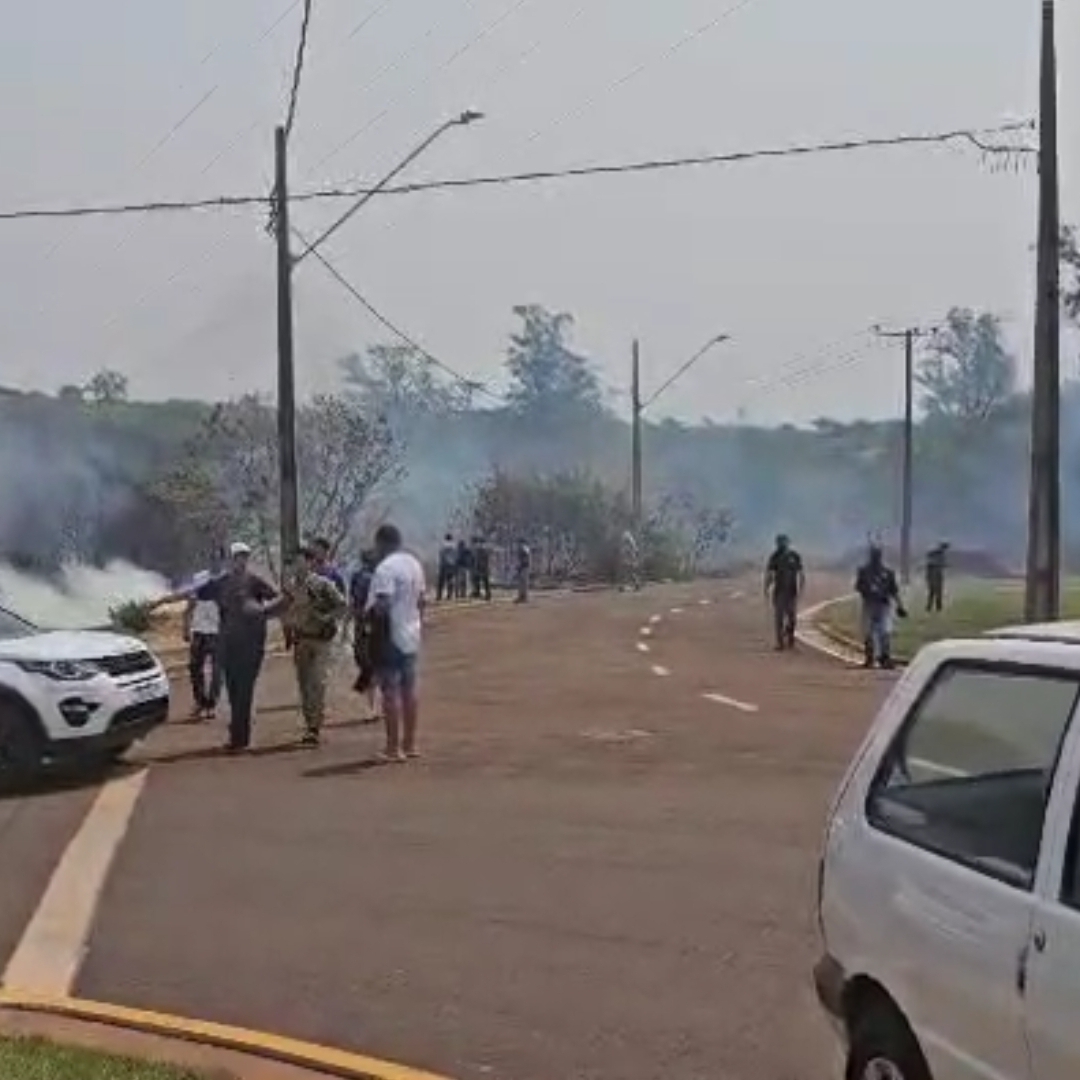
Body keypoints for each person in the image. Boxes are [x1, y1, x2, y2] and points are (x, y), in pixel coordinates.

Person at [197, 542, 280, 752]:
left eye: (244, 556)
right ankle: (237, 734)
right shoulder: (220, 583)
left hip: (251, 645)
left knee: (245, 690)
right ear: (231, 560)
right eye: (237, 557)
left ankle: (240, 739)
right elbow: (196, 593)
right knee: (233, 690)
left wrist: (260, 612)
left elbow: (276, 599)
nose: (241, 560)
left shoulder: (254, 581)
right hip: (227, 644)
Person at [365, 523, 426, 762]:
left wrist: (367, 618)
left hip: (389, 635)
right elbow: (422, 601)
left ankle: (392, 748)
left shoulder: (385, 569)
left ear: (381, 543)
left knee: (389, 691)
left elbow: (383, 604)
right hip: (410, 633)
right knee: (409, 690)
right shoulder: (414, 564)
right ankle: (409, 744)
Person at [283, 546, 348, 748]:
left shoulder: (323, 585)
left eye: (301, 561)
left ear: (311, 562)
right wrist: (287, 633)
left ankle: (315, 726)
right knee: (304, 685)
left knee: (318, 683)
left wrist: (327, 618)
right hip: (300, 640)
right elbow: (286, 613)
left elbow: (342, 605)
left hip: (321, 640)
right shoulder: (291, 587)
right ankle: (310, 724)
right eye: (295, 562)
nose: (298, 565)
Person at [183, 556, 224, 721]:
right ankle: (200, 702)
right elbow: (189, 606)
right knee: (194, 668)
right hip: (199, 631)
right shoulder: (200, 578)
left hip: (217, 632)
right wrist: (186, 628)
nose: (217, 563)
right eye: (214, 560)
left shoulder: (225, 581)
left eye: (220, 560)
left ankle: (211, 704)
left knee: (218, 671)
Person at [855, 543, 907, 669]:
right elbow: (859, 587)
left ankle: (885, 658)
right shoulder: (863, 571)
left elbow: (894, 591)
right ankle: (869, 658)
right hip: (869, 604)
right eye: (874, 555)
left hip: (884, 606)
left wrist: (900, 606)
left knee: (885, 632)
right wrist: (868, 590)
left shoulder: (888, 573)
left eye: (877, 556)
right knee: (868, 632)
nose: (876, 558)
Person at [348, 549, 381, 722]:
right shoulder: (371, 578)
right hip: (370, 625)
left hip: (364, 624)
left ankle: (372, 707)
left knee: (369, 666)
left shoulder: (359, 576)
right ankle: (372, 708)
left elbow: (353, 602)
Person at [764, 533, 804, 651]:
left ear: (788, 543)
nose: (781, 544)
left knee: (792, 618)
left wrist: (801, 587)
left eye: (784, 542)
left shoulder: (794, 556)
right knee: (779, 618)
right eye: (779, 542)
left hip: (792, 591)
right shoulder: (774, 557)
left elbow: (801, 573)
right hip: (779, 591)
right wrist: (766, 587)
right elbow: (770, 573)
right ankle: (780, 642)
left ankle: (790, 637)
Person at [925, 541, 949, 613]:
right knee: (936, 591)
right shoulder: (937, 555)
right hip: (935, 575)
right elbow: (940, 564)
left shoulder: (937, 555)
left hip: (935, 575)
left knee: (933, 592)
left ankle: (932, 607)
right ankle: (936, 607)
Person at [471, 536, 492, 601]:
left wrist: (478, 566)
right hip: (482, 568)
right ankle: (478, 592)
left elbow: (480, 560)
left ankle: (487, 594)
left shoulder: (481, 550)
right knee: (479, 580)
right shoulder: (482, 550)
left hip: (482, 568)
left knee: (484, 581)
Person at [436, 534, 456, 601]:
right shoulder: (454, 547)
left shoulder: (442, 546)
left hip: (443, 566)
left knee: (441, 582)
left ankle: (439, 595)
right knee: (450, 581)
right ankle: (449, 595)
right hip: (451, 566)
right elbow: (455, 557)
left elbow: (440, 556)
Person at [513, 537, 531, 603]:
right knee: (521, 583)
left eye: (520, 543)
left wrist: (520, 566)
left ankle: (524, 597)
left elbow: (525, 559)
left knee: (524, 583)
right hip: (522, 567)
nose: (519, 544)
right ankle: (521, 596)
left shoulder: (525, 549)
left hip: (525, 567)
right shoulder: (521, 549)